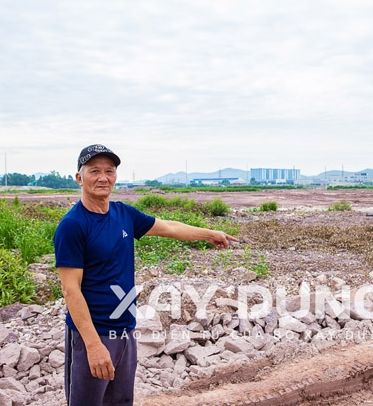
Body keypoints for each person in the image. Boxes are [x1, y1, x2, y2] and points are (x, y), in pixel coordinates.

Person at [54, 144, 237, 406]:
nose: (103, 177)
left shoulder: (123, 214)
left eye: (109, 171)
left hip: (125, 331)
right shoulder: (72, 226)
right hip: (93, 334)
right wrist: (93, 345)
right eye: (94, 171)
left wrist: (210, 234)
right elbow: (70, 290)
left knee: (121, 401)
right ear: (79, 177)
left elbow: (170, 227)